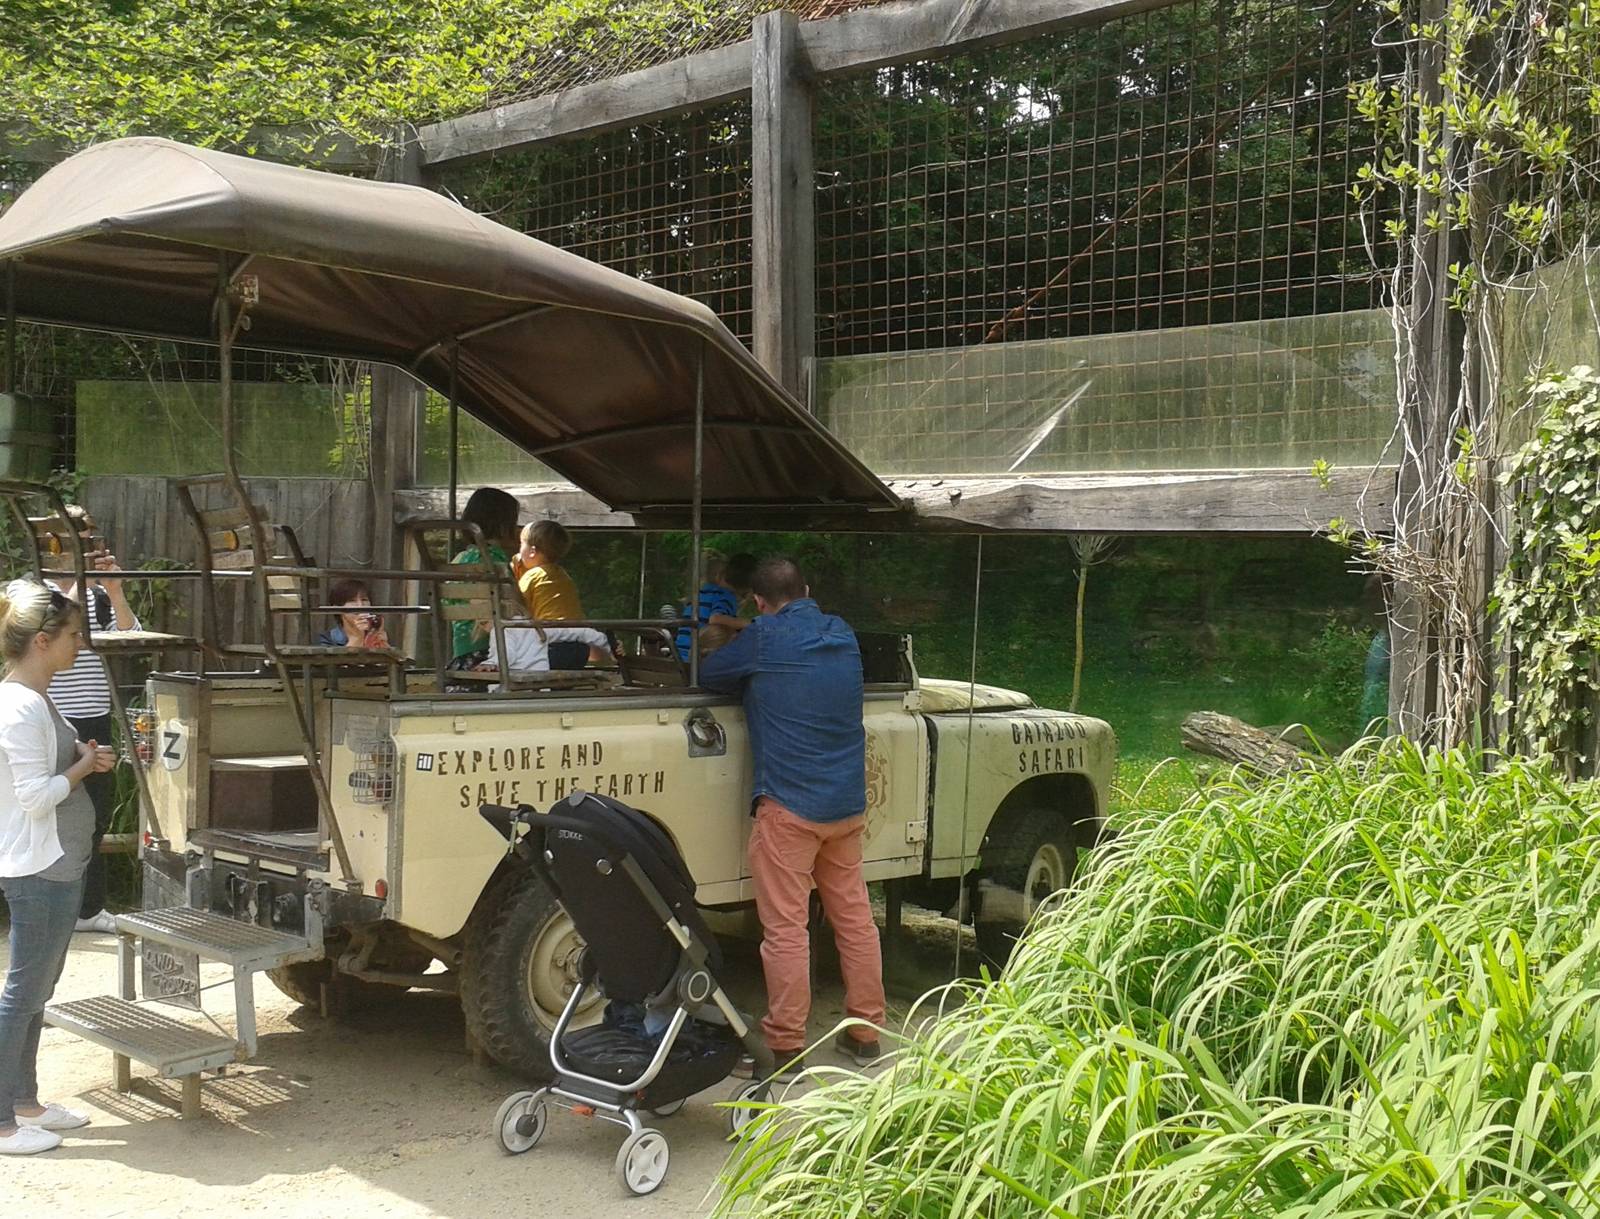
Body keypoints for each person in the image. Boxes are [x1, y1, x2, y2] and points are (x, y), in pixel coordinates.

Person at [699, 557, 885, 1074]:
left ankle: (783, 1047)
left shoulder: (762, 641)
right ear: (807, 588)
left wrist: (732, 636)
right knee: (855, 921)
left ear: (758, 602)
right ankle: (866, 1033)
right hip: (845, 806)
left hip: (789, 808)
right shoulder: (842, 634)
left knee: (785, 929)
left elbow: (709, 673)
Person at [0, 580, 118, 1154]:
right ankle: (2, 1121)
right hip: (38, 866)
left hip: (60, 864)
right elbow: (34, 796)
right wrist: (79, 771)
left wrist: (86, 759)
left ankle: (26, 1104)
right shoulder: (20, 706)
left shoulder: (40, 698)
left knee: (38, 990)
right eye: (75, 635)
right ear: (43, 641)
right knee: (22, 994)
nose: (81, 645)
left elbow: (57, 763)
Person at [46, 505, 137, 936]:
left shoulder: (99, 595)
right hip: (50, 718)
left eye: (85, 538)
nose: (80, 547)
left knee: (95, 816)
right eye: (71, 538)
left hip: (94, 720)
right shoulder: (33, 594)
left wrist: (114, 590)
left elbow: (129, 641)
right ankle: (47, 906)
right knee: (49, 812)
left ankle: (87, 910)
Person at [450, 487, 521, 665]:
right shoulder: (493, 559)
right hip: (493, 650)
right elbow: (509, 605)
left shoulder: (460, 560)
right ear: (504, 525)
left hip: (463, 652)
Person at [513, 520, 587, 670]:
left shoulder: (533, 576)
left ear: (532, 551)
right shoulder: (563, 576)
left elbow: (517, 606)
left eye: (521, 544)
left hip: (552, 648)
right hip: (580, 649)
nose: (519, 550)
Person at [676, 551, 756, 662]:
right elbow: (716, 618)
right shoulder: (725, 596)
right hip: (695, 660)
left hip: (679, 655)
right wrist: (750, 624)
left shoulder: (701, 593)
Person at [316, 578, 391, 650]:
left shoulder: (375, 633)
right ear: (337, 608)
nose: (360, 605)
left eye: (364, 599)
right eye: (352, 601)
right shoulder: (326, 639)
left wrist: (384, 646)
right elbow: (336, 662)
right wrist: (357, 637)